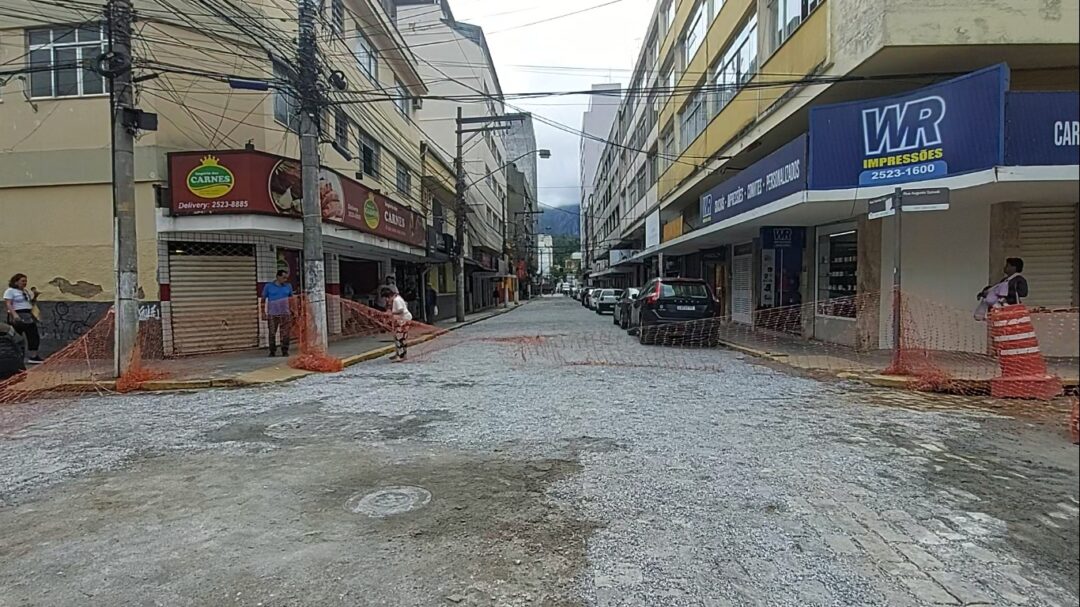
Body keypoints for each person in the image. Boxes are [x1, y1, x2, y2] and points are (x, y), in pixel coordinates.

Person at [4, 273, 42, 364]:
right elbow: (8, 304)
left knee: (33, 335)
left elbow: (30, 303)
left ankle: (33, 356)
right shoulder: (10, 291)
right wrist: (14, 315)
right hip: (18, 313)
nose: (25, 283)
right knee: (17, 336)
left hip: (28, 314)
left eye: (26, 281)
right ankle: (16, 356)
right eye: (22, 281)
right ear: (16, 282)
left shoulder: (25, 291)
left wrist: (35, 296)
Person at [261, 269, 294, 357]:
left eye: (286, 278)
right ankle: (272, 351)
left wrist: (293, 311)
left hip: (285, 313)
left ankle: (285, 350)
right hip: (273, 313)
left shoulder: (288, 286)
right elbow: (263, 299)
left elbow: (291, 299)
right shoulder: (268, 286)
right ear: (278, 277)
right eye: (283, 278)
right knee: (272, 333)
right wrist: (263, 312)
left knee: (286, 333)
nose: (285, 280)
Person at [383, 286, 412, 362]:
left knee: (400, 338)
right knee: (397, 337)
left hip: (403, 319)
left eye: (387, 298)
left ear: (389, 296)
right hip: (400, 320)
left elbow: (401, 310)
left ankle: (401, 356)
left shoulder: (396, 300)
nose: (386, 300)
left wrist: (391, 313)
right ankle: (399, 354)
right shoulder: (396, 299)